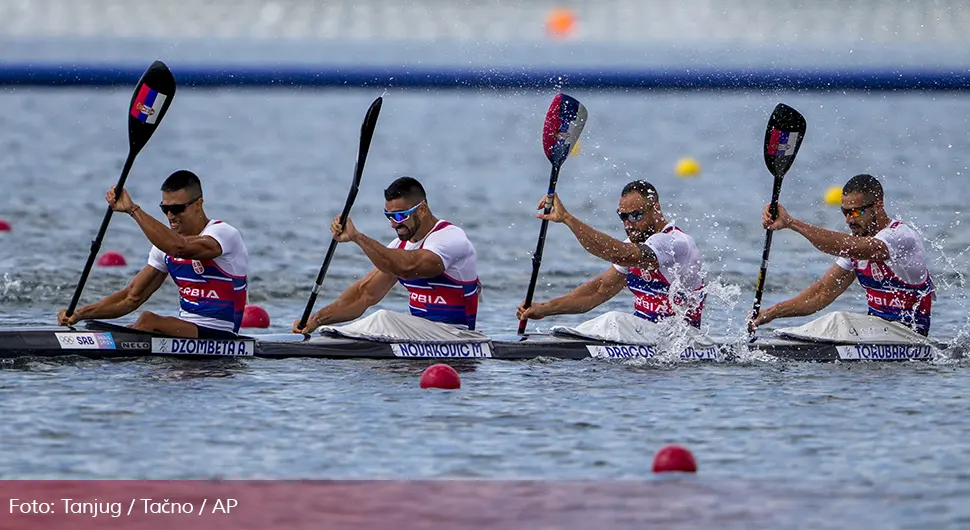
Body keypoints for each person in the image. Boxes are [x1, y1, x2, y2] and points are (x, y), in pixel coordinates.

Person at [57, 170, 249, 338]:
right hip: (187, 335)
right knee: (135, 327)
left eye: (177, 209)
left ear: (198, 204)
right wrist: (80, 313)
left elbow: (180, 248)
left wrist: (133, 210)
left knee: (148, 320)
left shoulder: (223, 234)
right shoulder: (163, 245)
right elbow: (131, 297)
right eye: (165, 209)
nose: (171, 216)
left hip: (222, 335)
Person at [749, 173, 935, 335]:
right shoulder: (856, 244)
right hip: (877, 334)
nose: (848, 220)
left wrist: (792, 224)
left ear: (878, 205)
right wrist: (772, 312)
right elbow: (821, 294)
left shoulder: (899, 237)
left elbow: (849, 246)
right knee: (836, 321)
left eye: (855, 212)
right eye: (844, 212)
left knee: (839, 320)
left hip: (910, 335)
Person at [292, 176, 480, 333]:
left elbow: (408, 268)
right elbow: (363, 295)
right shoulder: (400, 246)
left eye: (399, 216)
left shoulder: (450, 238)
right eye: (389, 217)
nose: (393, 224)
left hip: (458, 336)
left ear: (422, 210)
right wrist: (316, 320)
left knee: (383, 318)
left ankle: (339, 337)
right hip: (422, 338)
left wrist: (358, 237)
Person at [516, 180, 706, 327]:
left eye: (635, 215)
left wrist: (567, 219)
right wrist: (544, 309)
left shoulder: (675, 243)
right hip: (646, 339)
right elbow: (597, 291)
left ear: (655, 207)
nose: (628, 224)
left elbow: (620, 255)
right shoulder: (635, 245)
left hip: (678, 340)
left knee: (612, 320)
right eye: (623, 217)